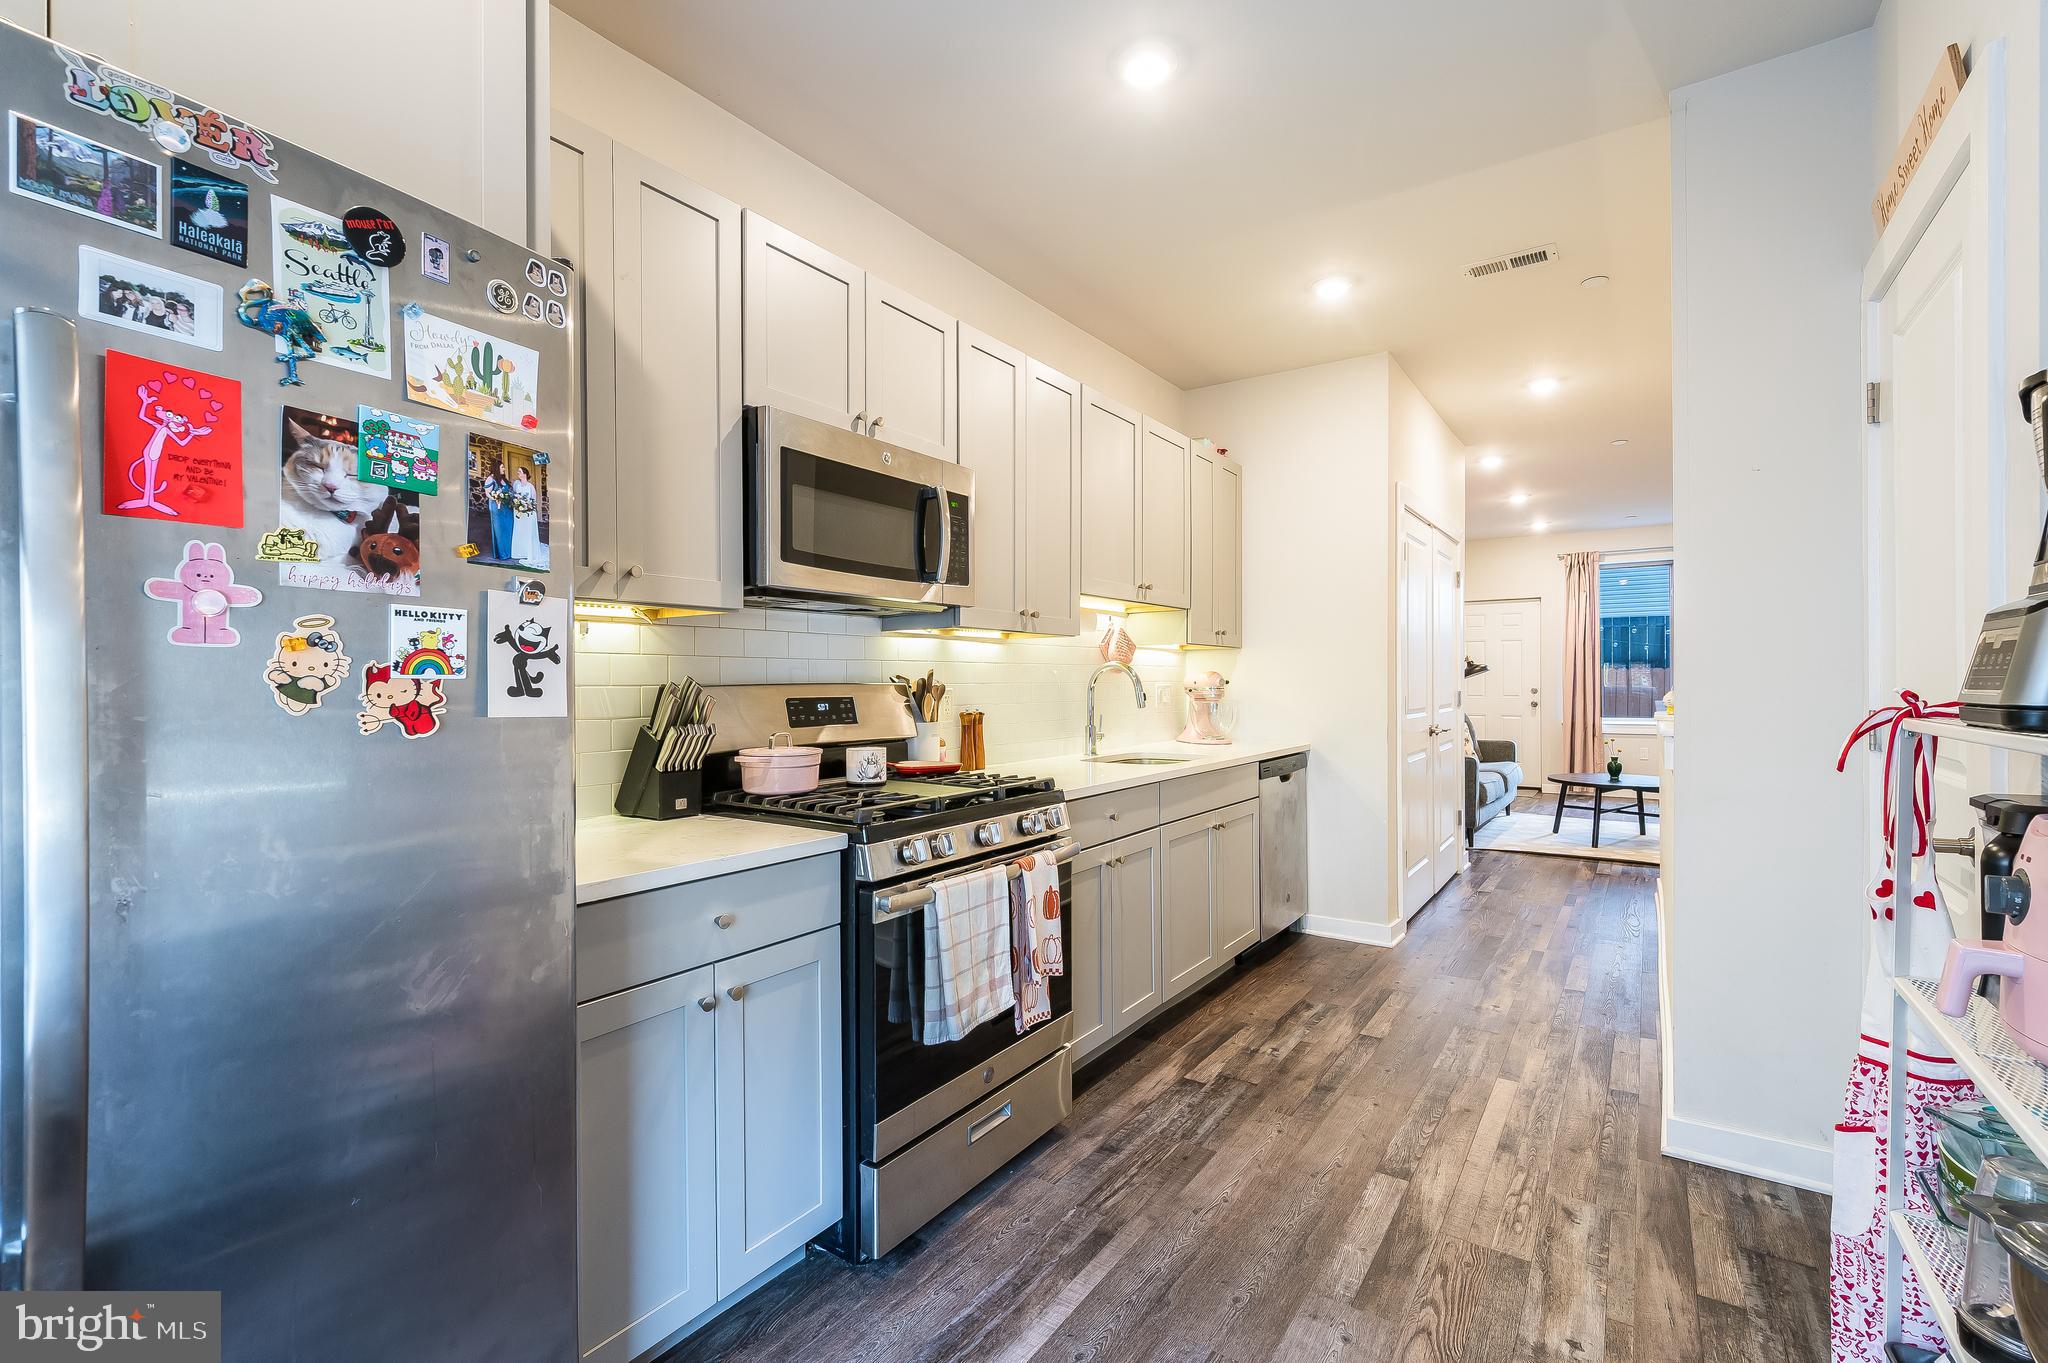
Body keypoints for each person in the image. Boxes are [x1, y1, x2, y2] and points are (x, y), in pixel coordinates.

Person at [509, 465, 545, 568]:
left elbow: (533, 501)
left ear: (525, 474)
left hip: (528, 513)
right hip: (518, 513)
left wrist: (527, 506)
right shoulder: (516, 484)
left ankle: (528, 551)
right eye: (518, 471)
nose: (518, 473)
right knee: (519, 531)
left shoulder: (530, 486)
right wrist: (517, 504)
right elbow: (514, 497)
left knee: (527, 532)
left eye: (520, 471)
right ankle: (519, 552)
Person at [484, 459, 514, 561]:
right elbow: (487, 493)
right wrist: (496, 498)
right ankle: (503, 554)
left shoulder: (503, 479)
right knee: (500, 530)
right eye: (502, 467)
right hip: (497, 508)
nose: (504, 469)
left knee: (509, 528)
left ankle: (510, 551)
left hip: (507, 508)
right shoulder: (490, 479)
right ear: (497, 468)